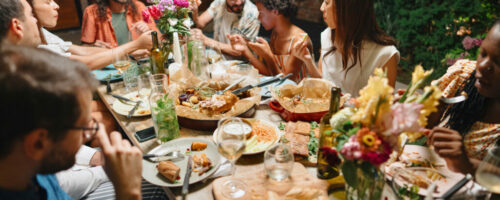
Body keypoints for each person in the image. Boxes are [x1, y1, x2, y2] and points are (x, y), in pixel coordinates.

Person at [0, 45, 143, 200]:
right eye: (83, 127)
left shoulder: (35, 169)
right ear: (38, 142)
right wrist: (128, 192)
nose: (89, 135)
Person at [427, 19, 500, 175]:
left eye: (498, 62)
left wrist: (466, 164)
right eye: (483, 53)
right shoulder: (464, 75)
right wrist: (422, 116)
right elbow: (423, 132)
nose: (481, 65)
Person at [291, 0, 399, 96]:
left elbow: (383, 109)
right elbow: (322, 84)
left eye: (327, 3)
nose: (322, 8)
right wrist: (307, 60)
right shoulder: (327, 36)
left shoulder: (385, 55)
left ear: (348, 9)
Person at [28, 0, 153, 70]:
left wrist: (132, 50)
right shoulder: (31, 42)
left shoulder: (43, 32)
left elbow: (81, 50)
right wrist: (135, 45)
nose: (57, 5)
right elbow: (86, 62)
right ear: (29, 9)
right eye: (48, 2)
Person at [227, 0, 311, 83]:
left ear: (275, 12)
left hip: (298, 94)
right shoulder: (275, 34)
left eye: (261, 13)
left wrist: (268, 56)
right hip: (278, 91)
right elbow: (270, 73)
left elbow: (286, 83)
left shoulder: (299, 41)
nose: (258, 18)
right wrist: (245, 50)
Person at [189, 0, 259, 58]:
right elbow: (199, 24)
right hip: (219, 58)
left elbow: (240, 52)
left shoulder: (252, 14)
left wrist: (206, 40)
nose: (239, 3)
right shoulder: (219, 2)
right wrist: (195, 12)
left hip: (242, 65)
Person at [81, 0, 159, 48]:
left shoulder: (139, 6)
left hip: (138, 61)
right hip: (110, 66)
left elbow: (160, 39)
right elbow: (84, 48)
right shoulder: (91, 12)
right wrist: (94, 47)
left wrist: (149, 30)